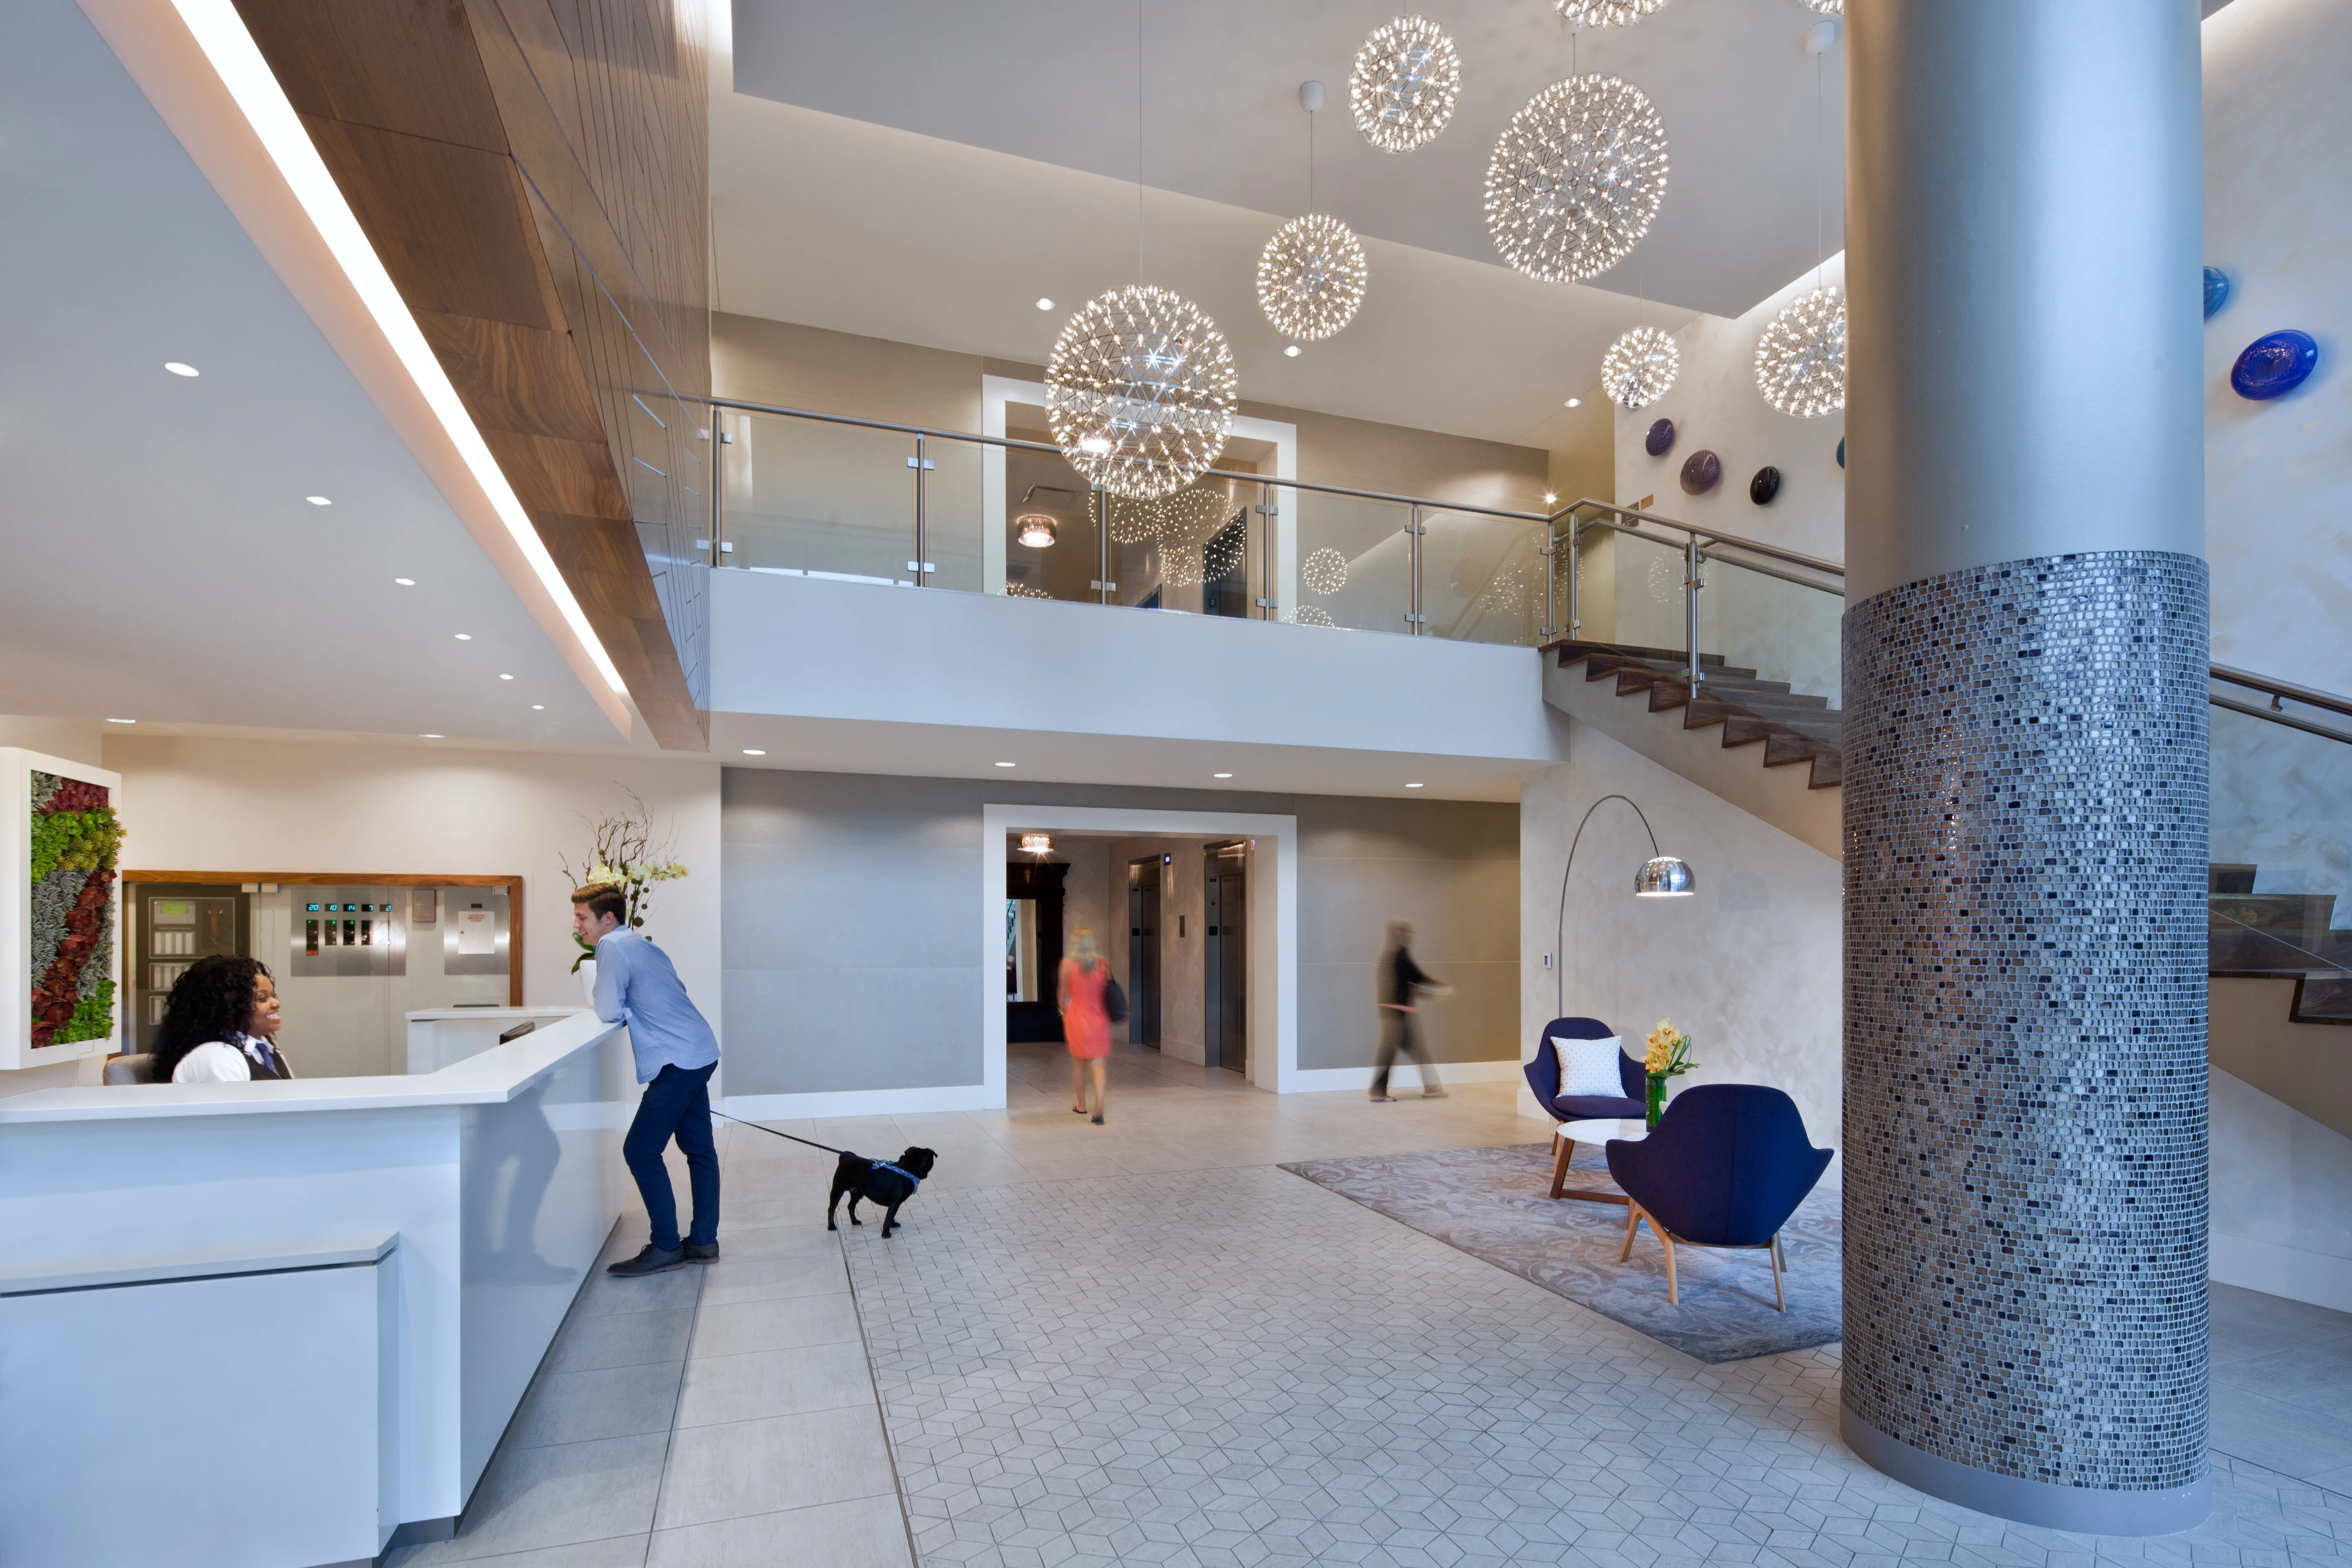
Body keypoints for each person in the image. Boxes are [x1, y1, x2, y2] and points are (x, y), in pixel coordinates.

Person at [576, 884, 722, 1277]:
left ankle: (665, 1247)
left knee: (640, 1151)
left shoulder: (610, 947)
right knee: (699, 1149)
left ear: (608, 918)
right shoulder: (641, 944)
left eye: (582, 918)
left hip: (678, 1060)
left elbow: (607, 1009)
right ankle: (704, 1241)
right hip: (700, 1049)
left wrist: (624, 1007)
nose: (576, 926)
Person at [154, 954, 294, 1082]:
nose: (277, 1004)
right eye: (262, 999)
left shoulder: (266, 1049)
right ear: (230, 1005)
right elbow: (237, 1110)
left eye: (274, 996)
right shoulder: (217, 1057)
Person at [1370, 919, 1447, 1103]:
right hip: (1400, 1016)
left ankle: (1432, 1087)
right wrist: (1438, 987)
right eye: (1406, 934)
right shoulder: (1402, 956)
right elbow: (1417, 978)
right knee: (1395, 1054)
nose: (1408, 937)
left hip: (1394, 1014)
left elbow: (1407, 983)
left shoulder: (1388, 957)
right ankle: (1378, 1092)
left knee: (1414, 1051)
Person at [1060, 926, 1112, 1124]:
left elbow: (1063, 994)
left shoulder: (1067, 966)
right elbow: (1106, 991)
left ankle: (1082, 1105)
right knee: (1098, 1064)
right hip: (1099, 1019)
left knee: (1079, 1064)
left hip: (1077, 1018)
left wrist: (1063, 1012)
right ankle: (1100, 1103)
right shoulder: (1102, 964)